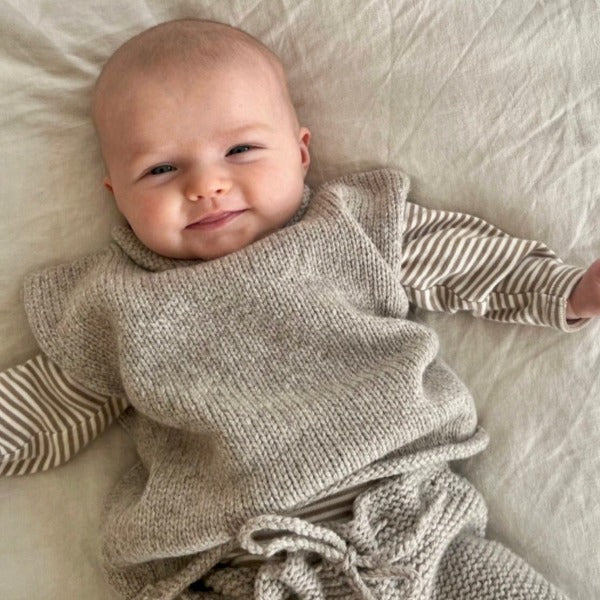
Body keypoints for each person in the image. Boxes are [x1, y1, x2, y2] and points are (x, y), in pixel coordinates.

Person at [1, 17, 600, 600]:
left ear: (300, 151)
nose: (207, 185)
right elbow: (46, 404)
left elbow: (466, 261)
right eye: (161, 168)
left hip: (412, 529)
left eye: (240, 149)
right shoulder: (113, 302)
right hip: (242, 565)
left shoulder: (351, 229)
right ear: (116, 193)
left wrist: (565, 289)